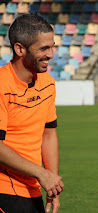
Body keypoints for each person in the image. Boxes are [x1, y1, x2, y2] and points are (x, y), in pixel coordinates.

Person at [0, 14, 64, 213]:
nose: (51, 54)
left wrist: (52, 184)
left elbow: (48, 134)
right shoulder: (2, 85)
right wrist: (42, 174)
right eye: (44, 48)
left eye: (52, 46)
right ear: (20, 49)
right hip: (4, 187)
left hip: (33, 188)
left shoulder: (48, 83)